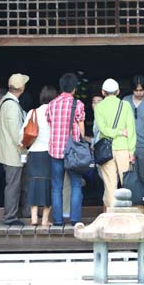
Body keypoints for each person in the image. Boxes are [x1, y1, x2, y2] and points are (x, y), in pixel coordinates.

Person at [46, 72, 86, 225]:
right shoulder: (78, 105)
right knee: (76, 185)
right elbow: (81, 128)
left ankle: (57, 220)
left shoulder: (51, 104)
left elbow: (50, 123)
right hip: (73, 151)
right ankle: (75, 219)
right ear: (74, 88)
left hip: (55, 150)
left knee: (56, 187)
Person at [94, 77, 136, 208]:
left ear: (103, 92)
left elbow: (102, 129)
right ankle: (127, 213)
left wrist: (114, 132)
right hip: (123, 147)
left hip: (107, 149)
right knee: (127, 183)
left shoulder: (99, 107)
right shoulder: (126, 105)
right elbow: (131, 129)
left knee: (110, 183)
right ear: (118, 91)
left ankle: (112, 213)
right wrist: (131, 151)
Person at [0, 73, 29, 226]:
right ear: (21, 88)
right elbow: (16, 133)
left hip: (9, 151)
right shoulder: (11, 105)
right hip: (12, 153)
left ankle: (14, 214)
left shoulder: (7, 102)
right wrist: (24, 149)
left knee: (14, 185)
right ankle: (10, 217)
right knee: (13, 186)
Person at [22, 84, 57, 227]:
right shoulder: (55, 113)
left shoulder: (33, 112)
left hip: (34, 153)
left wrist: (22, 145)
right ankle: (44, 220)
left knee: (34, 184)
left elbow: (22, 133)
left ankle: (34, 218)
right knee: (48, 185)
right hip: (49, 153)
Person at [123, 74, 144, 205]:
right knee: (129, 178)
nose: (139, 93)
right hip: (128, 145)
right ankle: (131, 204)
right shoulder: (125, 101)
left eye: (141, 90)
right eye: (136, 90)